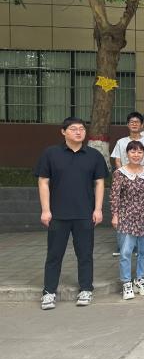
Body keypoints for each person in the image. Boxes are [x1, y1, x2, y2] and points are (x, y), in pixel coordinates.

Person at [35, 117, 108, 310]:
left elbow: (99, 183)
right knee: (54, 254)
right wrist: (45, 210)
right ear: (63, 132)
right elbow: (43, 181)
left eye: (82, 129)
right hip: (58, 214)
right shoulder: (51, 153)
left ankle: (86, 289)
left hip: (85, 213)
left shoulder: (94, 155)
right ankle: (49, 292)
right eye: (74, 129)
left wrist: (98, 209)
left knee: (85, 254)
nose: (78, 132)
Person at [110, 140, 144, 299]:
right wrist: (115, 215)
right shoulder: (120, 173)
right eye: (133, 151)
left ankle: (140, 280)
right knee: (126, 252)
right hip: (126, 216)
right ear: (127, 154)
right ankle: (126, 282)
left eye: (139, 152)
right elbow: (115, 196)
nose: (136, 155)